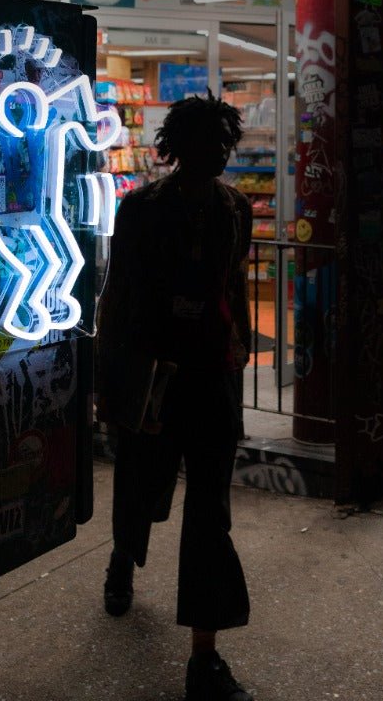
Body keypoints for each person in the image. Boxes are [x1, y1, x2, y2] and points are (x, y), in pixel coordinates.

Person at [95, 91, 254, 701]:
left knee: (210, 514)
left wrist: (237, 347)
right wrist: (112, 382)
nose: (216, 154)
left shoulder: (235, 208)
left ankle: (204, 657)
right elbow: (120, 297)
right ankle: (121, 559)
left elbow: (233, 286)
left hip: (212, 376)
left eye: (223, 144)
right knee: (139, 484)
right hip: (154, 375)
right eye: (204, 144)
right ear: (175, 150)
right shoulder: (141, 211)